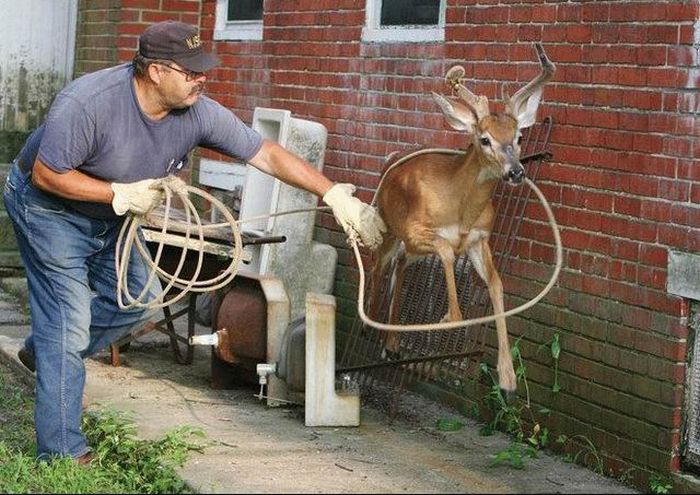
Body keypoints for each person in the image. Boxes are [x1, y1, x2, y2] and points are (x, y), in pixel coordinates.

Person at [3, 20, 386, 464]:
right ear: (155, 71)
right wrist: (118, 193)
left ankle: (46, 351)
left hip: (113, 215)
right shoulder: (89, 104)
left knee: (143, 300)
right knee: (68, 324)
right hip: (49, 209)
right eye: (190, 71)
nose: (202, 78)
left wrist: (332, 192)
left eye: (202, 68)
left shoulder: (197, 110)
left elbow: (264, 152)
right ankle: (62, 453)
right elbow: (47, 174)